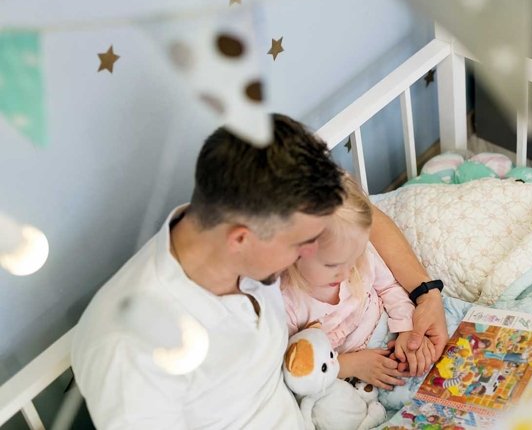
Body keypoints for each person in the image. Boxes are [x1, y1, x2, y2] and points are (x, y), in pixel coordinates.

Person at [71, 114, 447, 429]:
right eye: (300, 244)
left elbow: (364, 218)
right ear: (241, 239)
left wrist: (426, 294)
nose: (307, 256)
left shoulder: (224, 220)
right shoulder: (130, 351)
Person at [281, 175, 436, 392]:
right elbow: (296, 368)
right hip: (342, 371)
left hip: (387, 329)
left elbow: (389, 287)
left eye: (354, 258)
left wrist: (406, 327)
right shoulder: (288, 304)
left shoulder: (357, 256)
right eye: (332, 265)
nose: (346, 273)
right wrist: (347, 366)